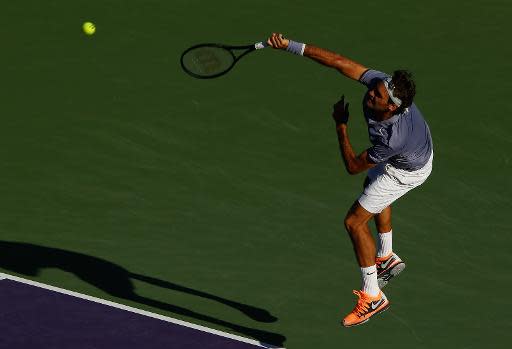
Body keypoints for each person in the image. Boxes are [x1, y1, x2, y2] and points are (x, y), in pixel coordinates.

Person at [266, 33, 433, 327]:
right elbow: (339, 62)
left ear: (391, 107)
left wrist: (341, 126)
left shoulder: (393, 137)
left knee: (354, 221)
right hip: (415, 153)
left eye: (377, 97)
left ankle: (372, 296)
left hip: (406, 170)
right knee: (373, 189)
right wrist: (289, 46)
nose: (371, 95)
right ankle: (387, 256)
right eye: (375, 89)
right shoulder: (383, 85)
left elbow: (353, 165)